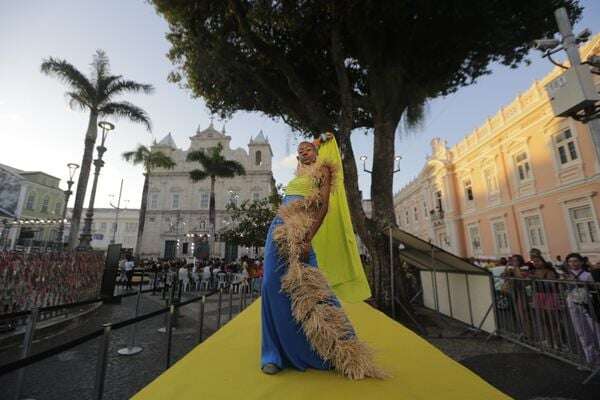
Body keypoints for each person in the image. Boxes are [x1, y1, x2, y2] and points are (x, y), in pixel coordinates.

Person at [260, 134, 384, 380]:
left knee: (314, 290)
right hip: (278, 227)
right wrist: (314, 143)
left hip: (300, 229)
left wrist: (307, 238)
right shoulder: (298, 171)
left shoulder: (324, 169)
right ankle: (273, 354)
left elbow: (324, 206)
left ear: (318, 154)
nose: (305, 152)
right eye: (301, 151)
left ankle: (342, 351)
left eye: (309, 149)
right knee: (270, 285)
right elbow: (309, 148)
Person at [564, 253, 600, 366]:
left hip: (587, 303)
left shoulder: (587, 274)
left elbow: (593, 288)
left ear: (581, 262)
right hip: (573, 303)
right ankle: (591, 358)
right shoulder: (566, 275)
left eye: (575, 261)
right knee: (581, 331)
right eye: (570, 261)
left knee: (596, 329)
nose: (573, 264)